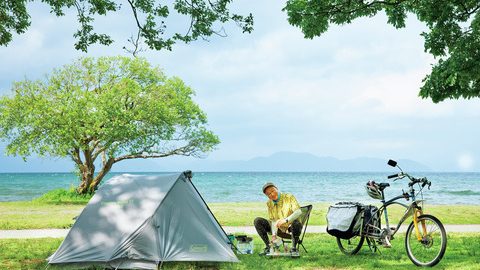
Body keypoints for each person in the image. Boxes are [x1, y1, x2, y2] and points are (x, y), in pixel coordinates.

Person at [254, 182, 303, 256]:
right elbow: (273, 221)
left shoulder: (289, 197)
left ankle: (293, 249)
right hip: (279, 230)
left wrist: (286, 220)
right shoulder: (269, 203)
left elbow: (298, 212)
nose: (272, 194)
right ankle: (269, 247)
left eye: (273, 191)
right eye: (269, 194)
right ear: (267, 196)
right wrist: (274, 235)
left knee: (296, 223)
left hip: (291, 229)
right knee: (257, 220)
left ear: (277, 188)